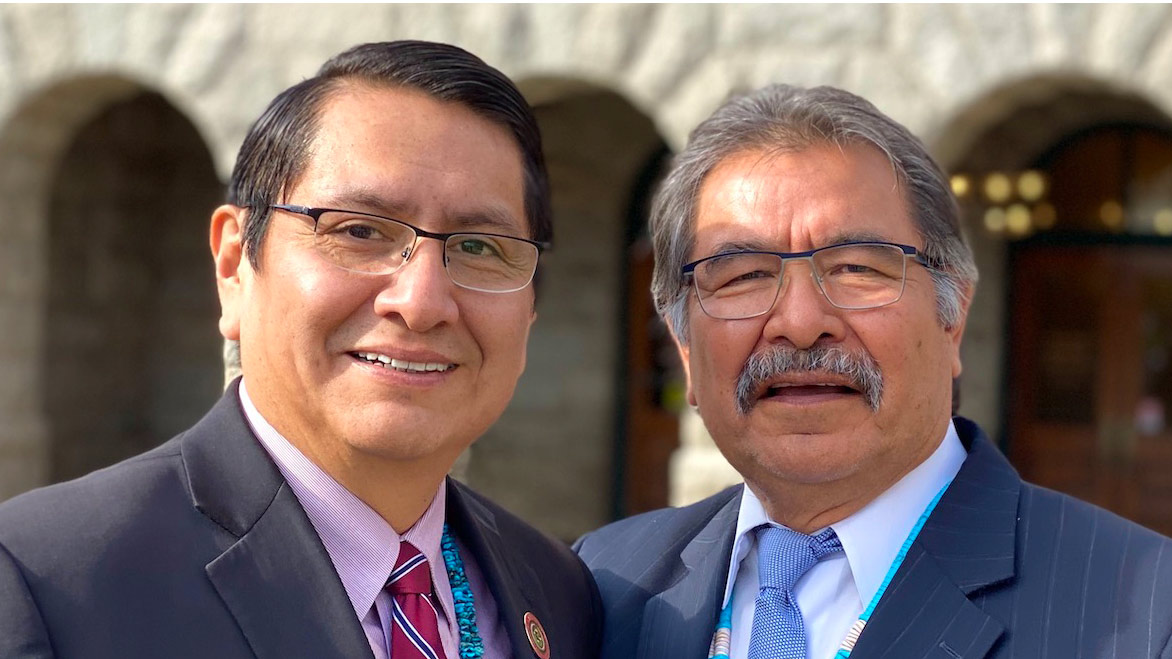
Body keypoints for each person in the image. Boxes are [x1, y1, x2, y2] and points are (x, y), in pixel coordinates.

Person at [0, 40, 600, 659]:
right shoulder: (46, 582)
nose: (421, 302)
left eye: (478, 247)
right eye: (360, 231)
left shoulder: (558, 591)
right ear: (234, 264)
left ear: (529, 311)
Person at [575, 84, 1172, 659]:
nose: (802, 322)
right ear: (683, 343)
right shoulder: (601, 586)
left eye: (857, 268)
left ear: (953, 316)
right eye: (743, 276)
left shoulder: (1145, 613)